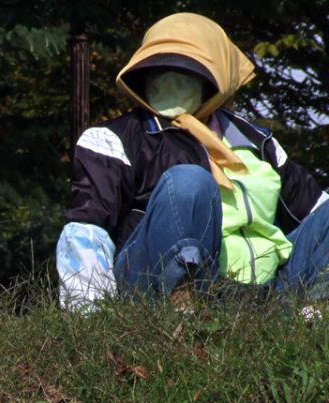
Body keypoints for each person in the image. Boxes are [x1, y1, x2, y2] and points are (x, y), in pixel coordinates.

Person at [56, 12, 329, 314]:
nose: (171, 83)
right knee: (188, 181)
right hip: (153, 285)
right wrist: (90, 317)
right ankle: (183, 311)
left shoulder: (258, 141)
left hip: (271, 289)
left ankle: (312, 313)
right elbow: (86, 229)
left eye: (188, 73)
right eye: (159, 72)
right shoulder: (113, 139)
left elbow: (316, 215)